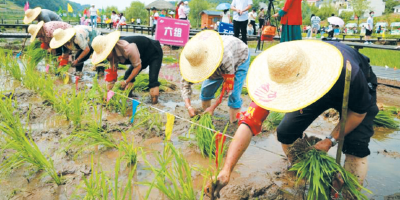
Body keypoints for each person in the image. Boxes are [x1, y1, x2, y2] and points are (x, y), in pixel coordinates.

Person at [204, 40, 378, 198]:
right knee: (286, 132)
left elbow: (358, 113)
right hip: (314, 87)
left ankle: (348, 193)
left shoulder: (350, 73)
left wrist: (330, 140)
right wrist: (227, 170)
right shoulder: (277, 75)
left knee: (356, 147)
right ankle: (305, 170)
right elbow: (248, 123)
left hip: (348, 87)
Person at [180, 30, 250, 123]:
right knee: (206, 91)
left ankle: (234, 123)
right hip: (220, 60)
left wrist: (213, 107)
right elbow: (184, 84)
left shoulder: (225, 58)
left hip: (239, 56)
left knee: (234, 95)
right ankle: (207, 116)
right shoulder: (192, 57)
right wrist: (188, 106)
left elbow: (228, 88)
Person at [91, 32, 163, 104]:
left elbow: (137, 67)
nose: (105, 57)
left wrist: (126, 82)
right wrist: (107, 94)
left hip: (154, 52)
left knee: (153, 80)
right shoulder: (111, 57)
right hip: (141, 55)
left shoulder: (128, 48)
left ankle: (154, 106)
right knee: (127, 75)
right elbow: (111, 76)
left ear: (110, 49)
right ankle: (130, 99)